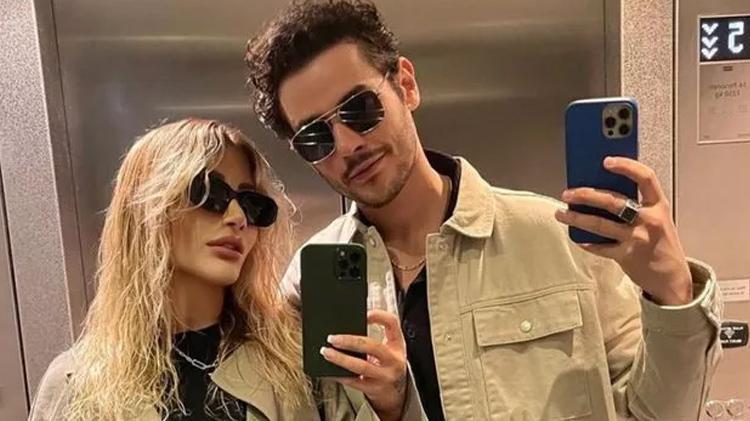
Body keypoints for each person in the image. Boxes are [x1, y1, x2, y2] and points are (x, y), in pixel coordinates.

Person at [244, 1, 723, 420]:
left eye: (359, 108)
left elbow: (661, 414)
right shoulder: (309, 284)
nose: (348, 144)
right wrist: (390, 408)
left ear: (405, 85)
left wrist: (672, 292)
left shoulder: (560, 241)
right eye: (315, 137)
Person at [29, 118, 422, 420]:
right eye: (209, 193)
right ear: (147, 209)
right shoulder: (76, 383)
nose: (237, 217)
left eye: (252, 204)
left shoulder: (298, 363)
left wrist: (392, 406)